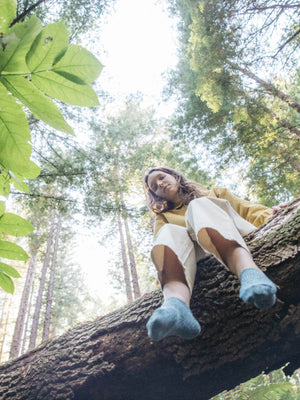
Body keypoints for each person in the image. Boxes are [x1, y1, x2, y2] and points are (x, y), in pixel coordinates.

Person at [143, 167, 279, 342]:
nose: (160, 184)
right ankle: (176, 306)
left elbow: (248, 212)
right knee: (168, 230)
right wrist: (158, 287)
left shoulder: (215, 193)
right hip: (198, 256)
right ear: (156, 195)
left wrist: (271, 215)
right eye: (154, 186)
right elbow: (165, 248)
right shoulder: (164, 218)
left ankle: (251, 274)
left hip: (237, 235)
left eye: (161, 177)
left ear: (175, 176)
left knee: (198, 205)